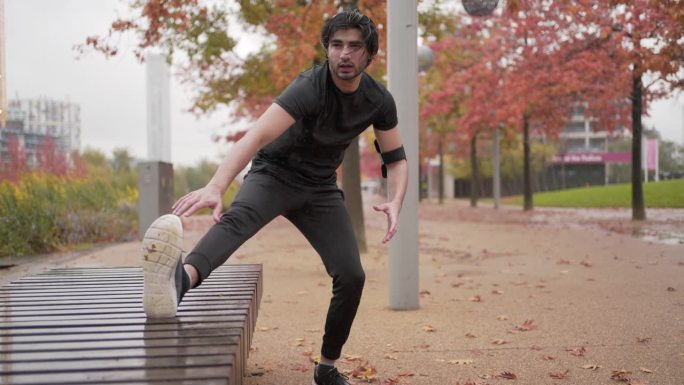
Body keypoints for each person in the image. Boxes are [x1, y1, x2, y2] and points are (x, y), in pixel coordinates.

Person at [141, 9, 407, 385]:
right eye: (336, 45)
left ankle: (327, 367)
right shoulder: (309, 87)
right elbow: (255, 137)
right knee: (235, 222)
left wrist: (396, 201)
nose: (344, 54)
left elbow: (395, 159)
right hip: (274, 174)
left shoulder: (379, 100)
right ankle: (177, 283)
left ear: (369, 55)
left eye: (354, 46)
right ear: (326, 49)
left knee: (351, 275)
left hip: (319, 189)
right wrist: (217, 184)